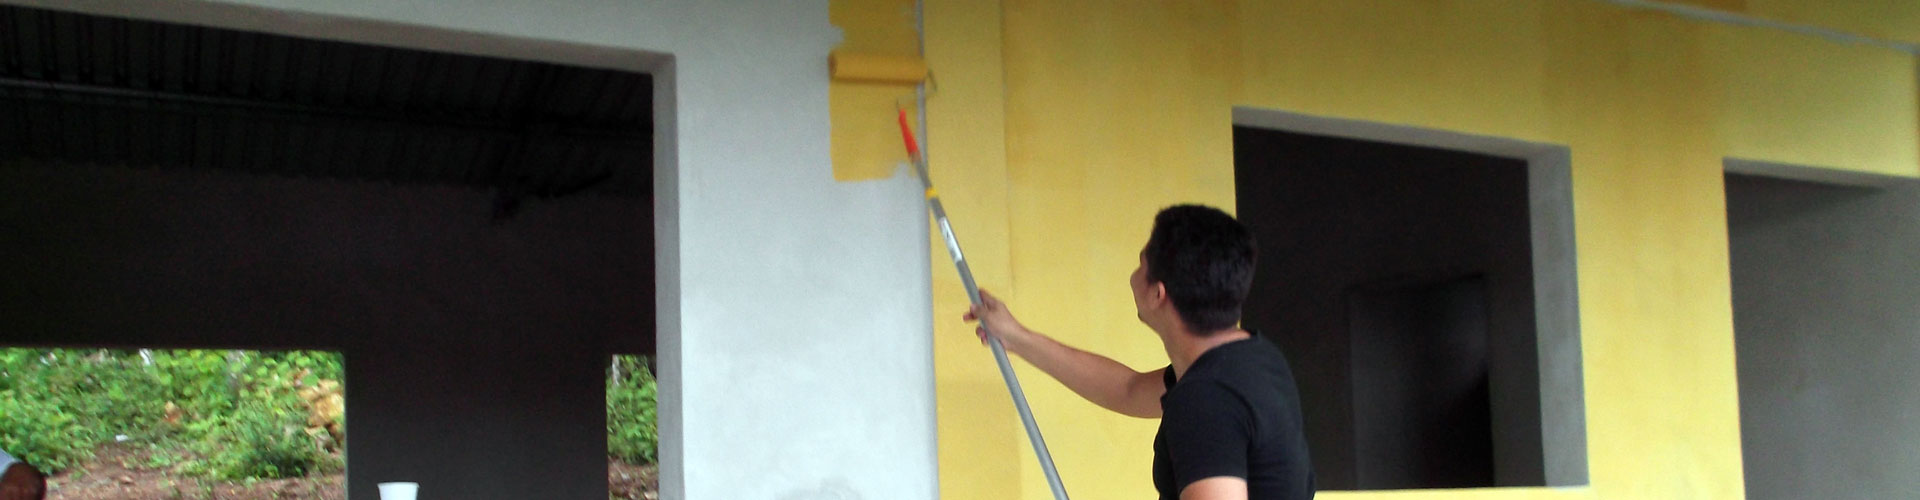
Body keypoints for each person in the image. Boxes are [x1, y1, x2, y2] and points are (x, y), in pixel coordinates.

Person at [964, 204, 1313, 500]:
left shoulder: (1206, 399)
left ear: (1157, 294)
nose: (1133, 276)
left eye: (1140, 264)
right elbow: (1127, 390)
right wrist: (1017, 337)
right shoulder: (1254, 358)